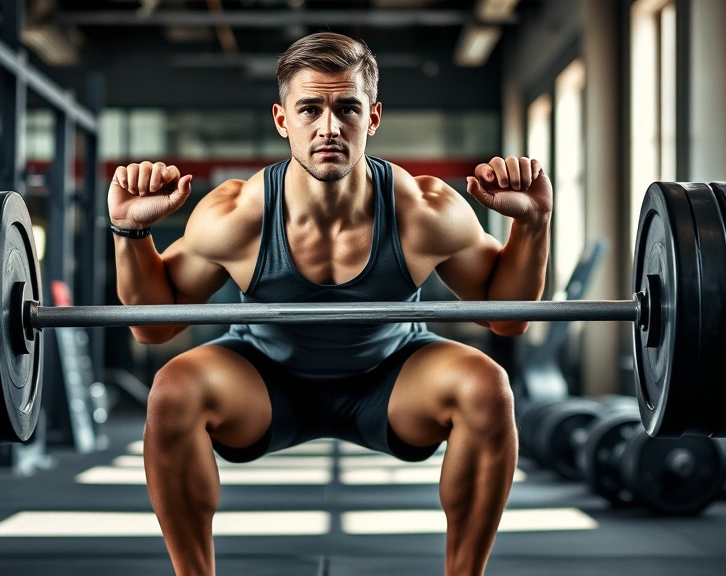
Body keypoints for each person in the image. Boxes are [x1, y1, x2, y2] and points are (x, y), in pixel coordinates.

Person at [109, 32, 551, 576]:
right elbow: (153, 327)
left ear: (373, 117)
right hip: (266, 380)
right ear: (281, 119)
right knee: (172, 390)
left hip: (390, 378)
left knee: (488, 387)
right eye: (310, 108)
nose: (329, 127)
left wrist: (532, 225)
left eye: (347, 108)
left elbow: (508, 318)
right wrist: (129, 233)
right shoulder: (238, 215)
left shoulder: (424, 211)